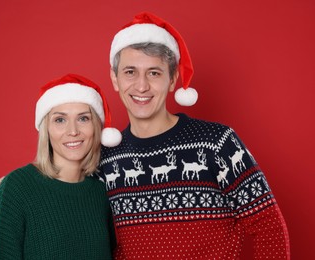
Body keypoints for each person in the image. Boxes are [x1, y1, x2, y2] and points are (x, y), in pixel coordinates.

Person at [96, 12, 290, 259]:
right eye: (130, 72)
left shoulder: (217, 143)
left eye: (154, 73)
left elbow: (269, 228)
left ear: (173, 78)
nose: (141, 86)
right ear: (115, 79)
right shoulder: (106, 160)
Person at [0, 74, 121, 259]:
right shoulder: (17, 186)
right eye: (60, 120)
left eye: (83, 118)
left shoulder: (101, 191)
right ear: (47, 129)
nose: (73, 131)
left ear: (96, 126)